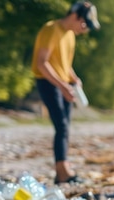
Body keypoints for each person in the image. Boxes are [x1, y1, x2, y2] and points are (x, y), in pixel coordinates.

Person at [31, 1, 100, 184]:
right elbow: (42, 63)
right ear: (76, 16)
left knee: (65, 126)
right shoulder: (51, 29)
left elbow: (64, 64)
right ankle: (62, 171)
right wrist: (62, 85)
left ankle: (64, 167)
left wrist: (74, 78)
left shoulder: (70, 35)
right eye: (84, 24)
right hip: (48, 82)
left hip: (64, 84)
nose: (85, 29)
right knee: (61, 125)